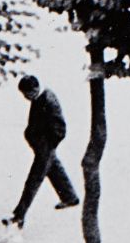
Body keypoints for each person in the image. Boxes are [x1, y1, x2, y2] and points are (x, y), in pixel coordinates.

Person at [5, 73, 79, 226]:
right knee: (54, 170)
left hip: (45, 148)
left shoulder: (48, 100)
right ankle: (69, 197)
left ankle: (19, 215)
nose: (26, 98)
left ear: (36, 88)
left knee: (33, 180)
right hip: (42, 147)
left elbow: (60, 129)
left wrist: (48, 147)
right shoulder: (39, 98)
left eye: (28, 94)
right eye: (24, 95)